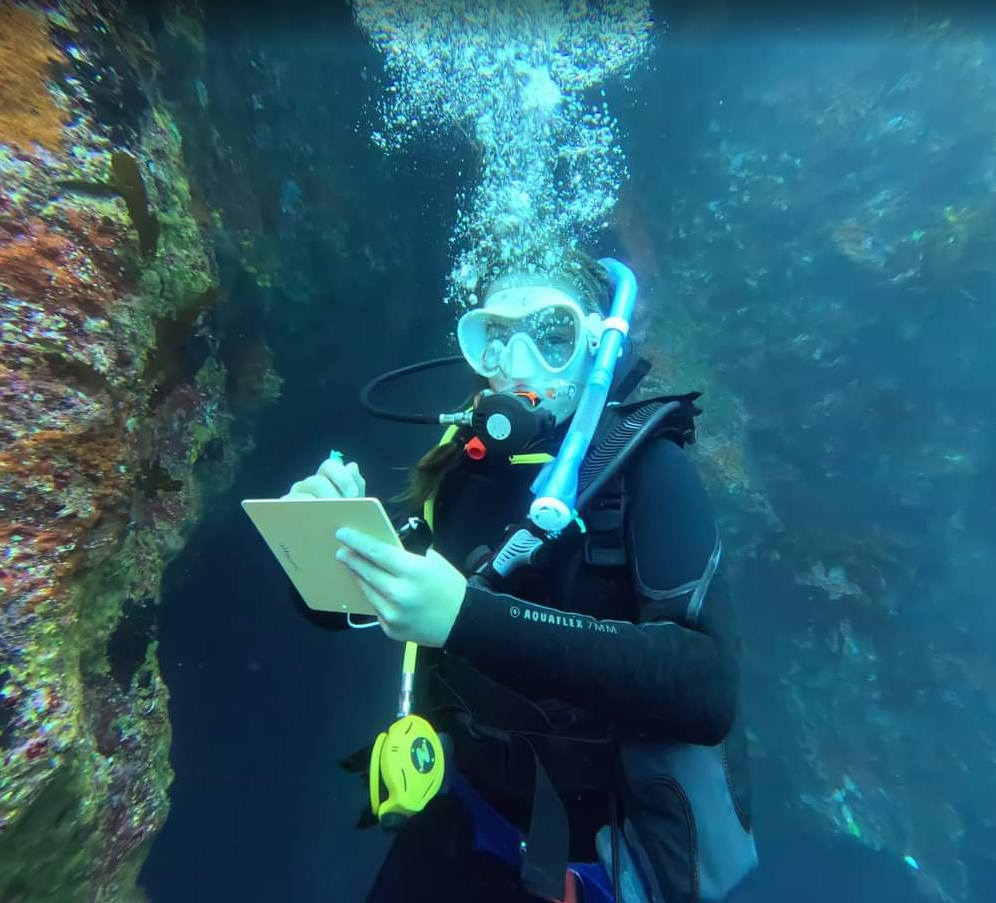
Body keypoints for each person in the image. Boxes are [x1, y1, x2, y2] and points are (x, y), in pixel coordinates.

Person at [284, 253, 757, 903]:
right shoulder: (459, 469)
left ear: (595, 347)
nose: (517, 362)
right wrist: (325, 543)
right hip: (462, 818)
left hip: (593, 867)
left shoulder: (649, 469)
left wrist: (466, 618)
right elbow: (364, 603)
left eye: (551, 336)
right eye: (496, 337)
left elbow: (707, 686)